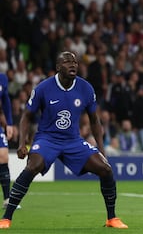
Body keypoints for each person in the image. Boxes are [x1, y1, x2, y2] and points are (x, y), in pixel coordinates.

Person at [0, 52, 128, 229]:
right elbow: (26, 116)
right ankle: (6, 218)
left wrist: (101, 148)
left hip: (73, 140)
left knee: (105, 169)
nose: (73, 65)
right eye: (67, 62)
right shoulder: (43, 88)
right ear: (58, 67)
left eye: (74, 62)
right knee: (32, 167)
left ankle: (112, 218)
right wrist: (22, 143)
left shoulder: (85, 88)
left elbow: (94, 120)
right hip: (47, 138)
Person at [0, 72, 17, 209]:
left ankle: (7, 199)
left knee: (3, 156)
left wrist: (9, 123)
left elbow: (5, 101)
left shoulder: (3, 78)